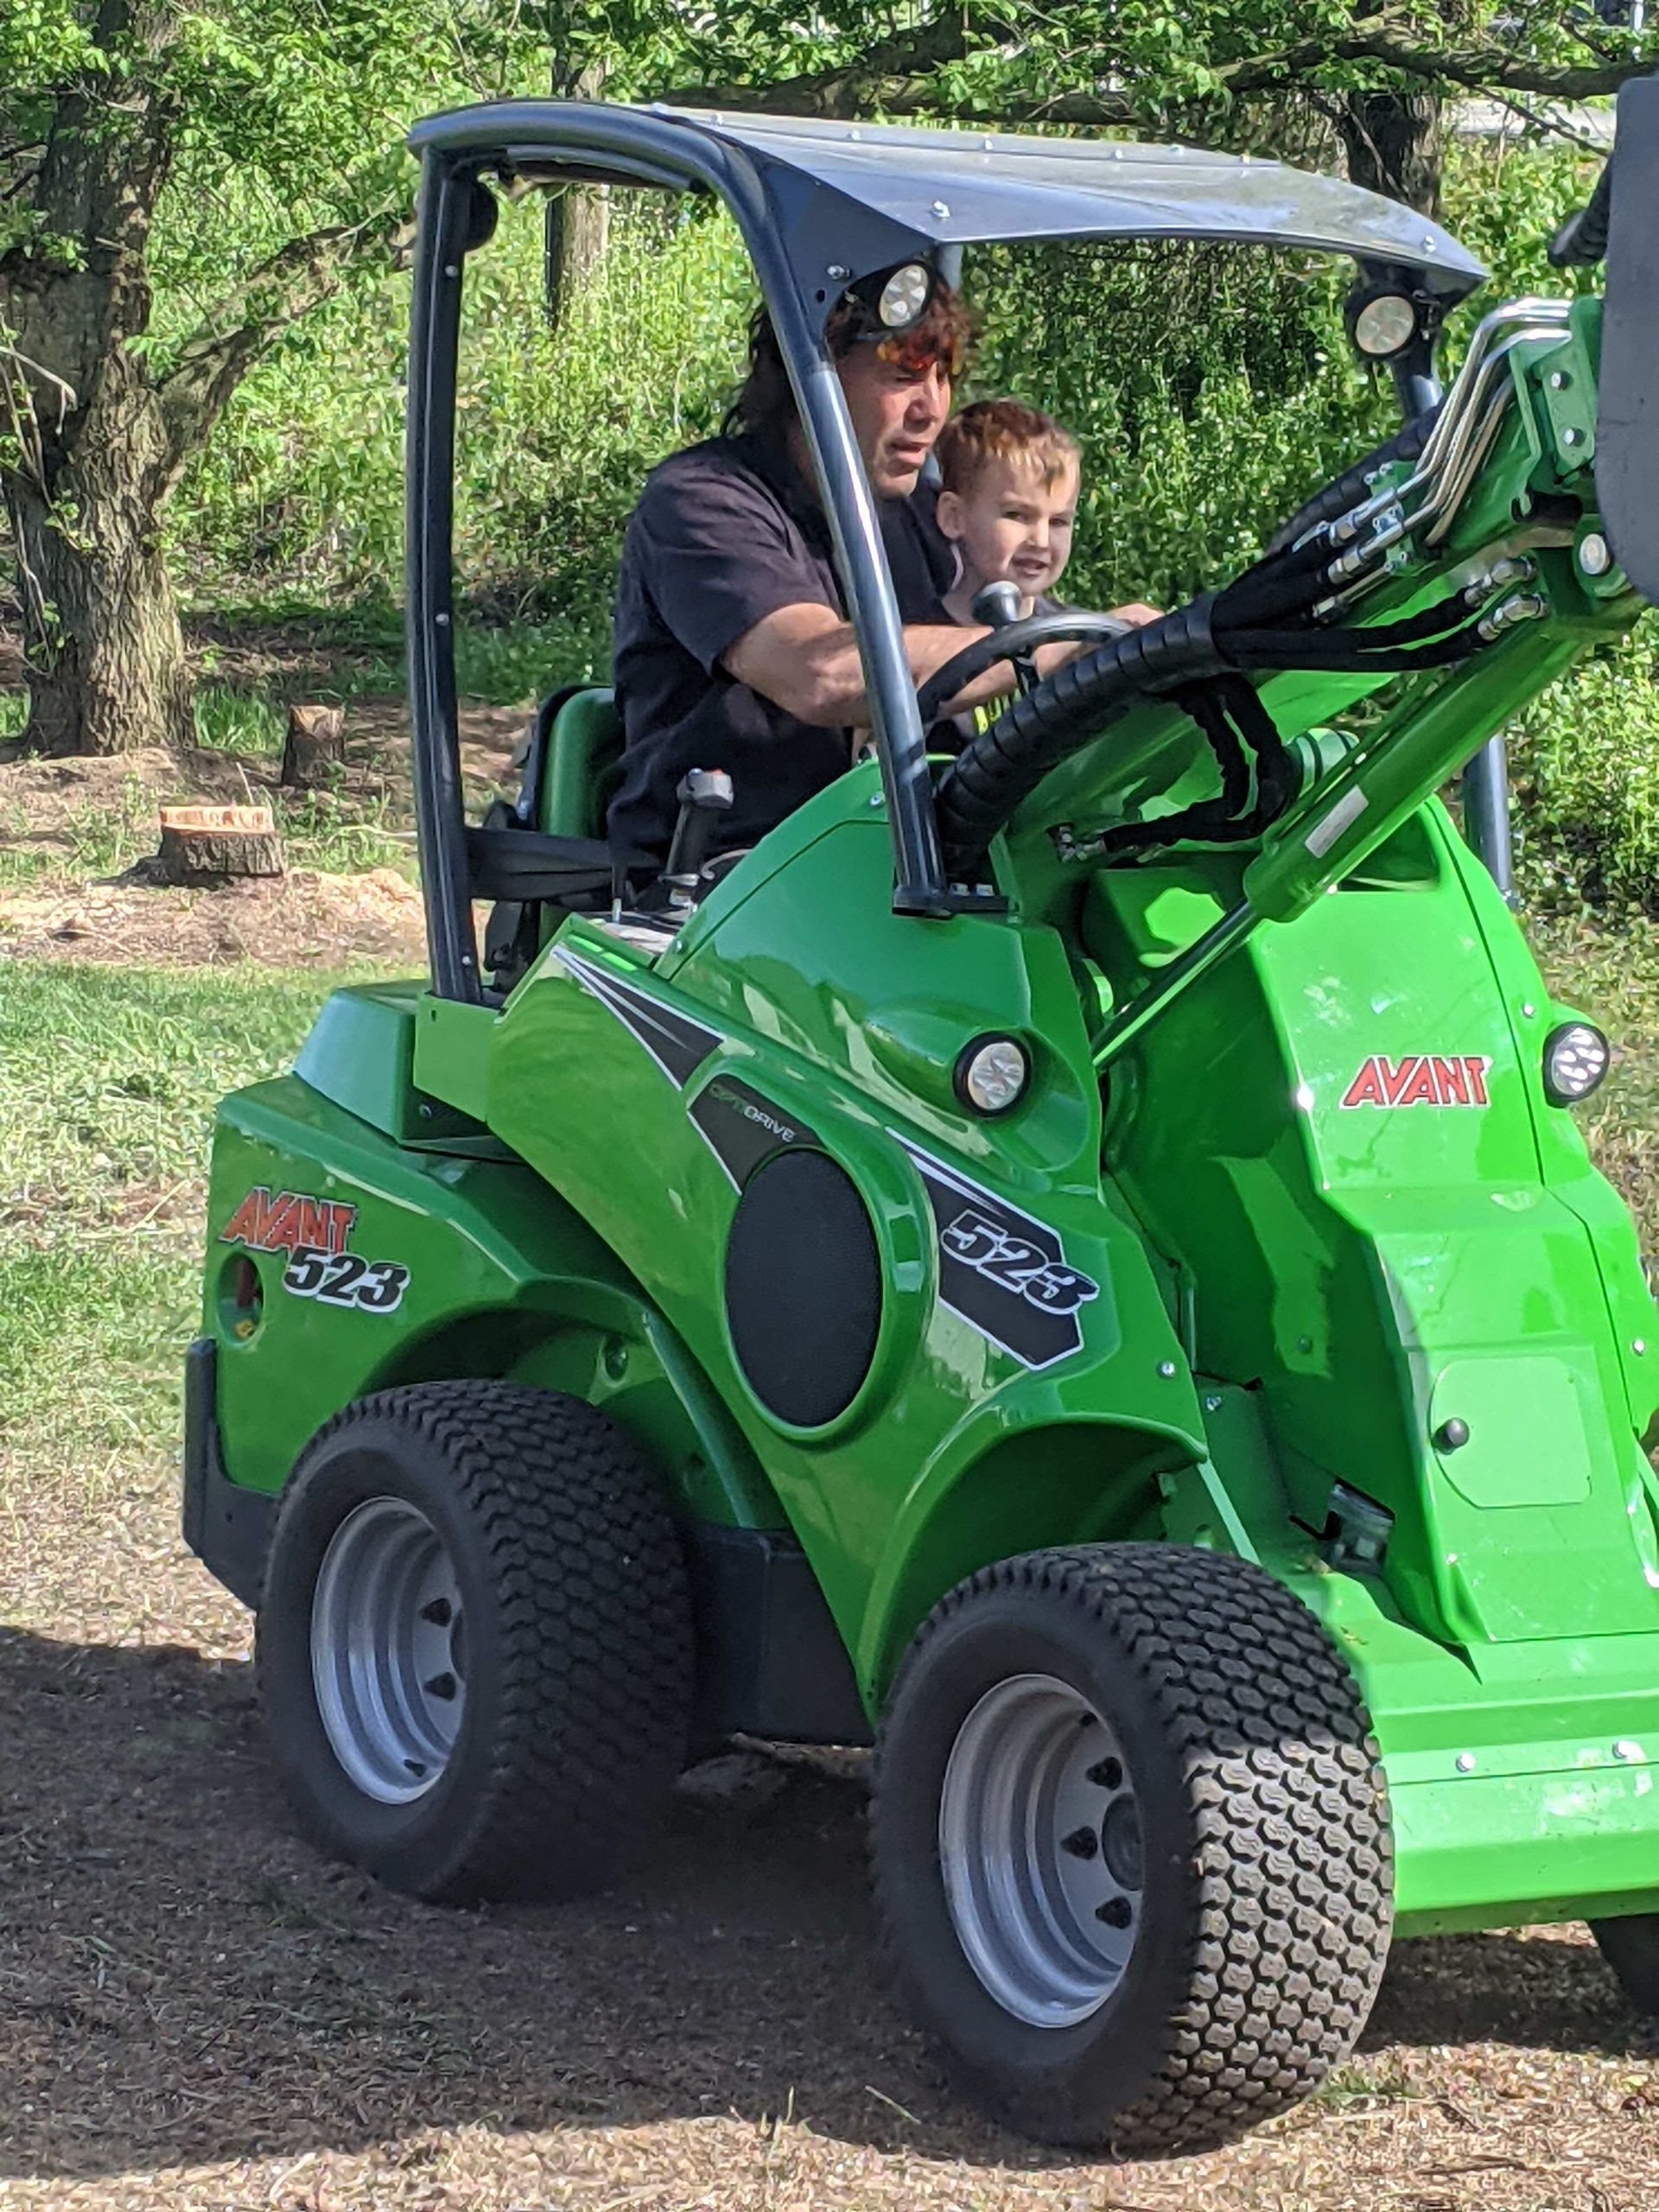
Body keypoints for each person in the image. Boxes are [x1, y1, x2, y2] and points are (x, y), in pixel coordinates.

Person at [607, 271, 1089, 863]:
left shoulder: (923, 518)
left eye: (943, 378)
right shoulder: (703, 502)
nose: (932, 410)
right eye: (905, 377)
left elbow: (1002, 613)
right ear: (813, 375)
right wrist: (1060, 650)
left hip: (887, 866)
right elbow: (822, 676)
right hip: (728, 882)